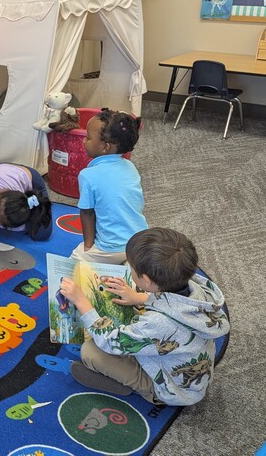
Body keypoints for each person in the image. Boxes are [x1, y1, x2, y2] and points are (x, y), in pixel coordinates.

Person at [59, 227, 230, 406]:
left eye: (132, 267)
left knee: (91, 352)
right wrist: (139, 297)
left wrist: (81, 302)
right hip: (182, 366)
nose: (129, 268)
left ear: (147, 280)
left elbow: (111, 342)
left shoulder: (157, 323)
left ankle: (144, 391)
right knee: (133, 311)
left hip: (172, 389)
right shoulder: (198, 289)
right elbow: (174, 304)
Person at [72, 108, 147, 264]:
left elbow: (87, 214)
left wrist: (88, 246)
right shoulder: (130, 167)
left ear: (105, 147)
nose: (84, 141)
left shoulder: (87, 175)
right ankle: (129, 264)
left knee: (74, 261)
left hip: (111, 248)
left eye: (88, 137)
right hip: (140, 242)